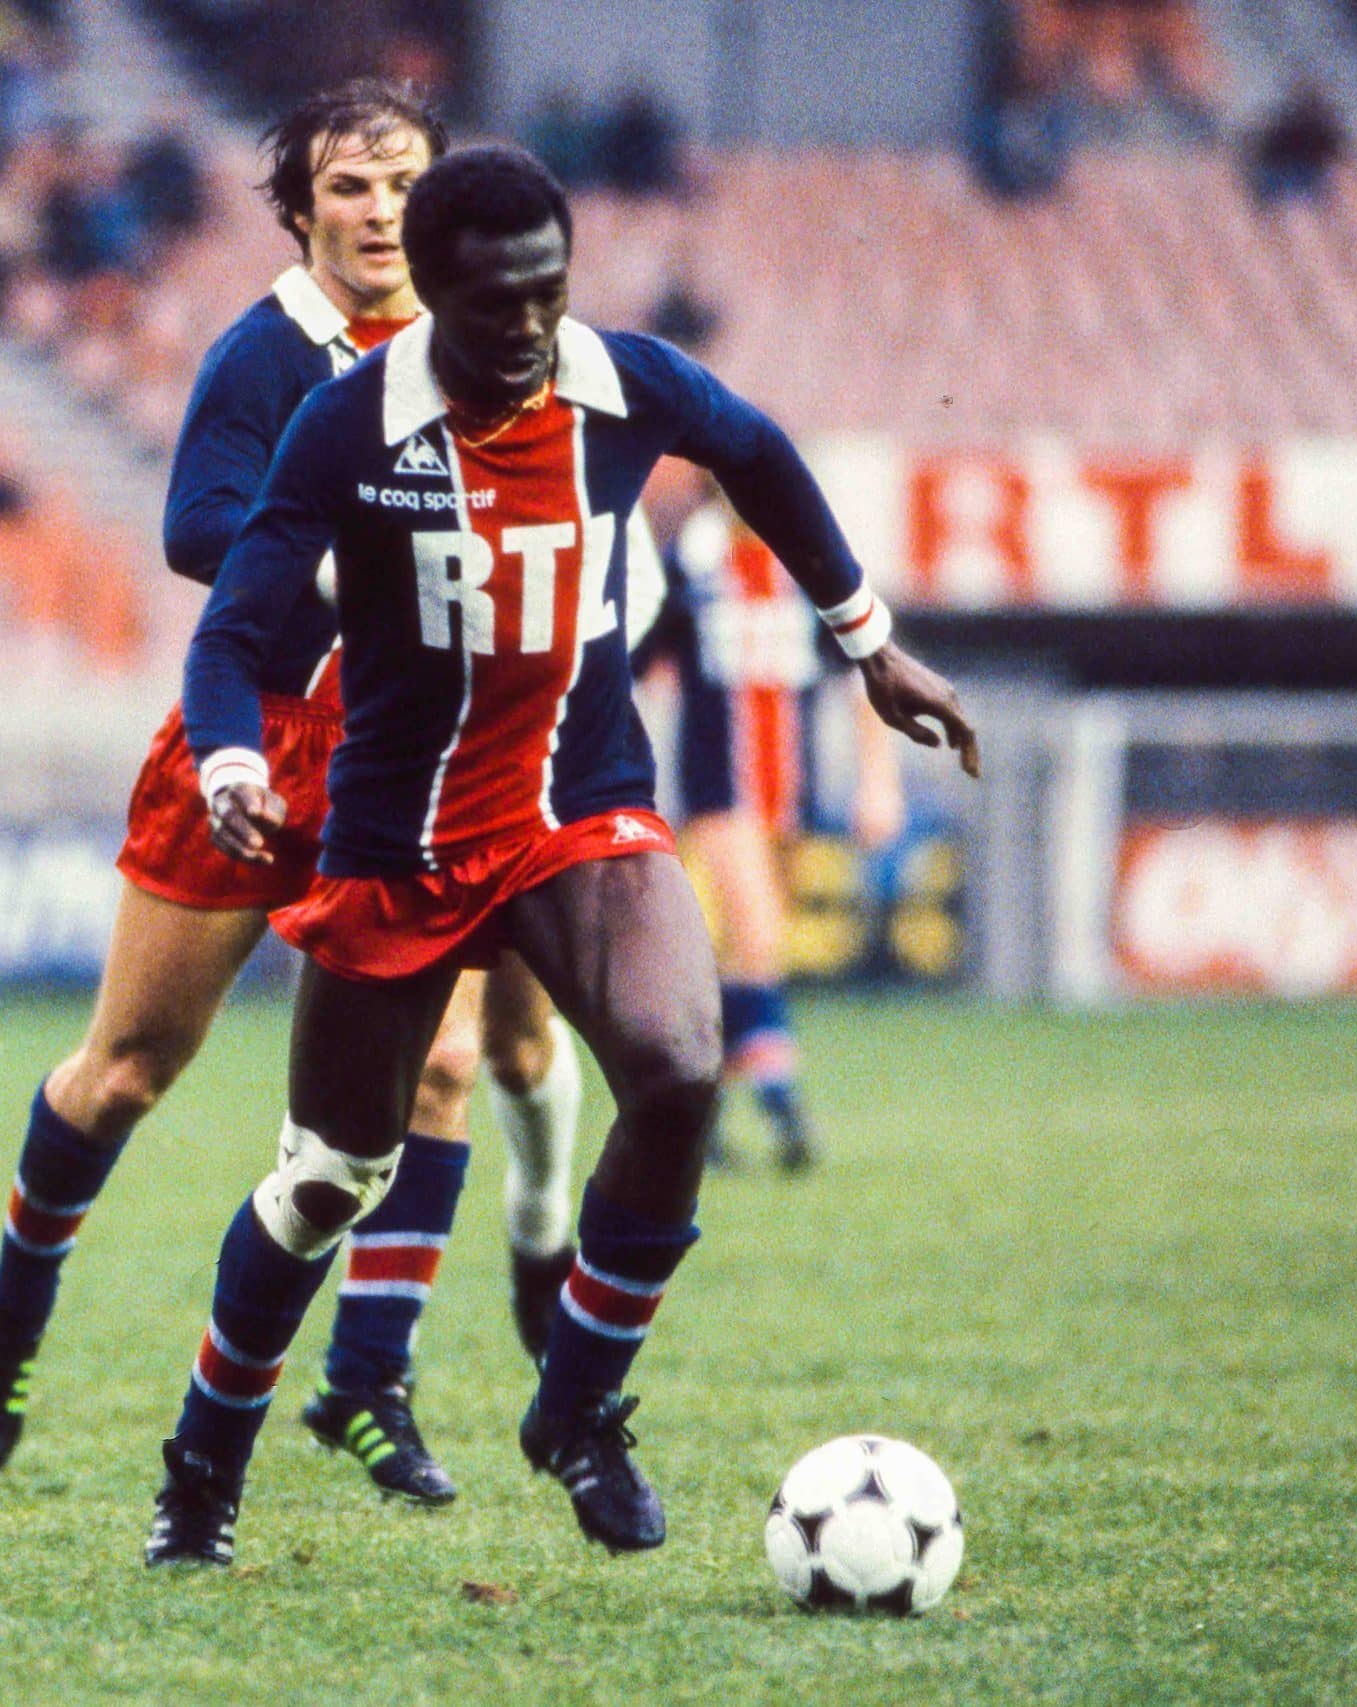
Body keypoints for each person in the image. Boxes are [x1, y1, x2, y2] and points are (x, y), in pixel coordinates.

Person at [144, 145, 978, 1567]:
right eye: (497, 301)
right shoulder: (349, 427)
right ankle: (201, 1470)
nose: (530, 325)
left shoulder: (623, 378)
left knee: (675, 1069)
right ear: (436, 294)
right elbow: (229, 627)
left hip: (578, 810)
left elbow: (760, 453)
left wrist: (868, 641)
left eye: (549, 289)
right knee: (328, 1178)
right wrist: (228, 754)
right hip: (397, 835)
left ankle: (578, 1408)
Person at [0, 81, 590, 1510]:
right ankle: (11, 1313)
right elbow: (191, 526)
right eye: (347, 189)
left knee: (440, 1062)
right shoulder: (268, 354)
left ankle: (368, 1378)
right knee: (128, 1068)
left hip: (416, 754)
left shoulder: (483, 349)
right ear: (300, 210)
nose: (375, 213)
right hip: (259, 735)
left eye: (398, 185)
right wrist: (353, 561)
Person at [642, 485, 905, 1171]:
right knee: (756, 941)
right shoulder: (690, 564)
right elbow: (637, 670)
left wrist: (879, 780)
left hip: (789, 792)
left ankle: (697, 1117)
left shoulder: (808, 563)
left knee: (752, 958)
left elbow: (867, 666)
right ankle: (782, 1103)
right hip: (717, 791)